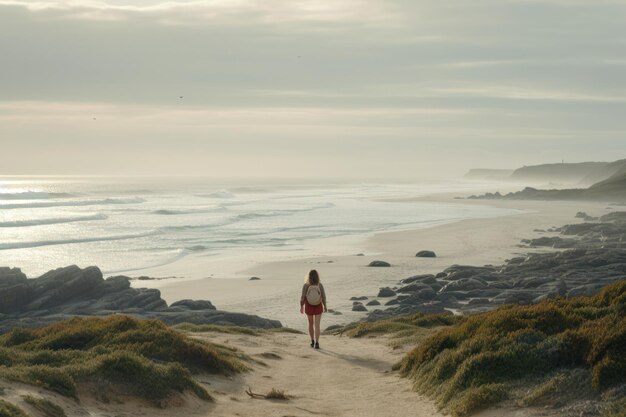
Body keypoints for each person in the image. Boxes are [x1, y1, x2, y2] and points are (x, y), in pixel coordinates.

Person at [300, 269, 327, 349]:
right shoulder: (320, 285)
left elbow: (303, 297)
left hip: (309, 306)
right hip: (318, 305)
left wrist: (302, 307)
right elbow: (323, 297)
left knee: (310, 324)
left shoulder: (306, 285)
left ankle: (312, 341)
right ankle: (317, 342)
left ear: (309, 276)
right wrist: (325, 306)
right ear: (317, 276)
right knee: (317, 325)